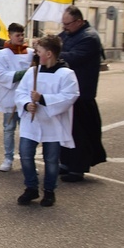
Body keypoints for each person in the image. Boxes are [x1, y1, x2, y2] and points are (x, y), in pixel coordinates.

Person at [15, 35, 79, 207]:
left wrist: (43, 99)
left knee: (51, 160)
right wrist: (27, 104)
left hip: (53, 124)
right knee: (25, 155)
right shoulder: (33, 72)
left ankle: (49, 191)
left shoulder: (66, 74)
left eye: (39, 51)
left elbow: (70, 96)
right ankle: (31, 188)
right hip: (32, 122)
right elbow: (20, 92)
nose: (36, 54)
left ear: (49, 53)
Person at [58, 6, 107, 182]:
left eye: (67, 24)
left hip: (82, 94)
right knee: (65, 130)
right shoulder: (68, 34)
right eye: (63, 24)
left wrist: (51, 53)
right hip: (67, 92)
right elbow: (56, 44)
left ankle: (77, 168)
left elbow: (72, 57)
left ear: (79, 21)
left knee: (80, 133)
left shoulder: (89, 38)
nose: (64, 27)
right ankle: (65, 163)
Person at [0, 23, 34, 171]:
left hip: (26, 99)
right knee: (9, 129)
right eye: (18, 35)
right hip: (10, 97)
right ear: (9, 35)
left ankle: (27, 161)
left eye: (22, 34)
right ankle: (8, 158)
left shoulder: (31, 53)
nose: (21, 37)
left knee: (27, 131)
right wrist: (22, 74)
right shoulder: (3, 54)